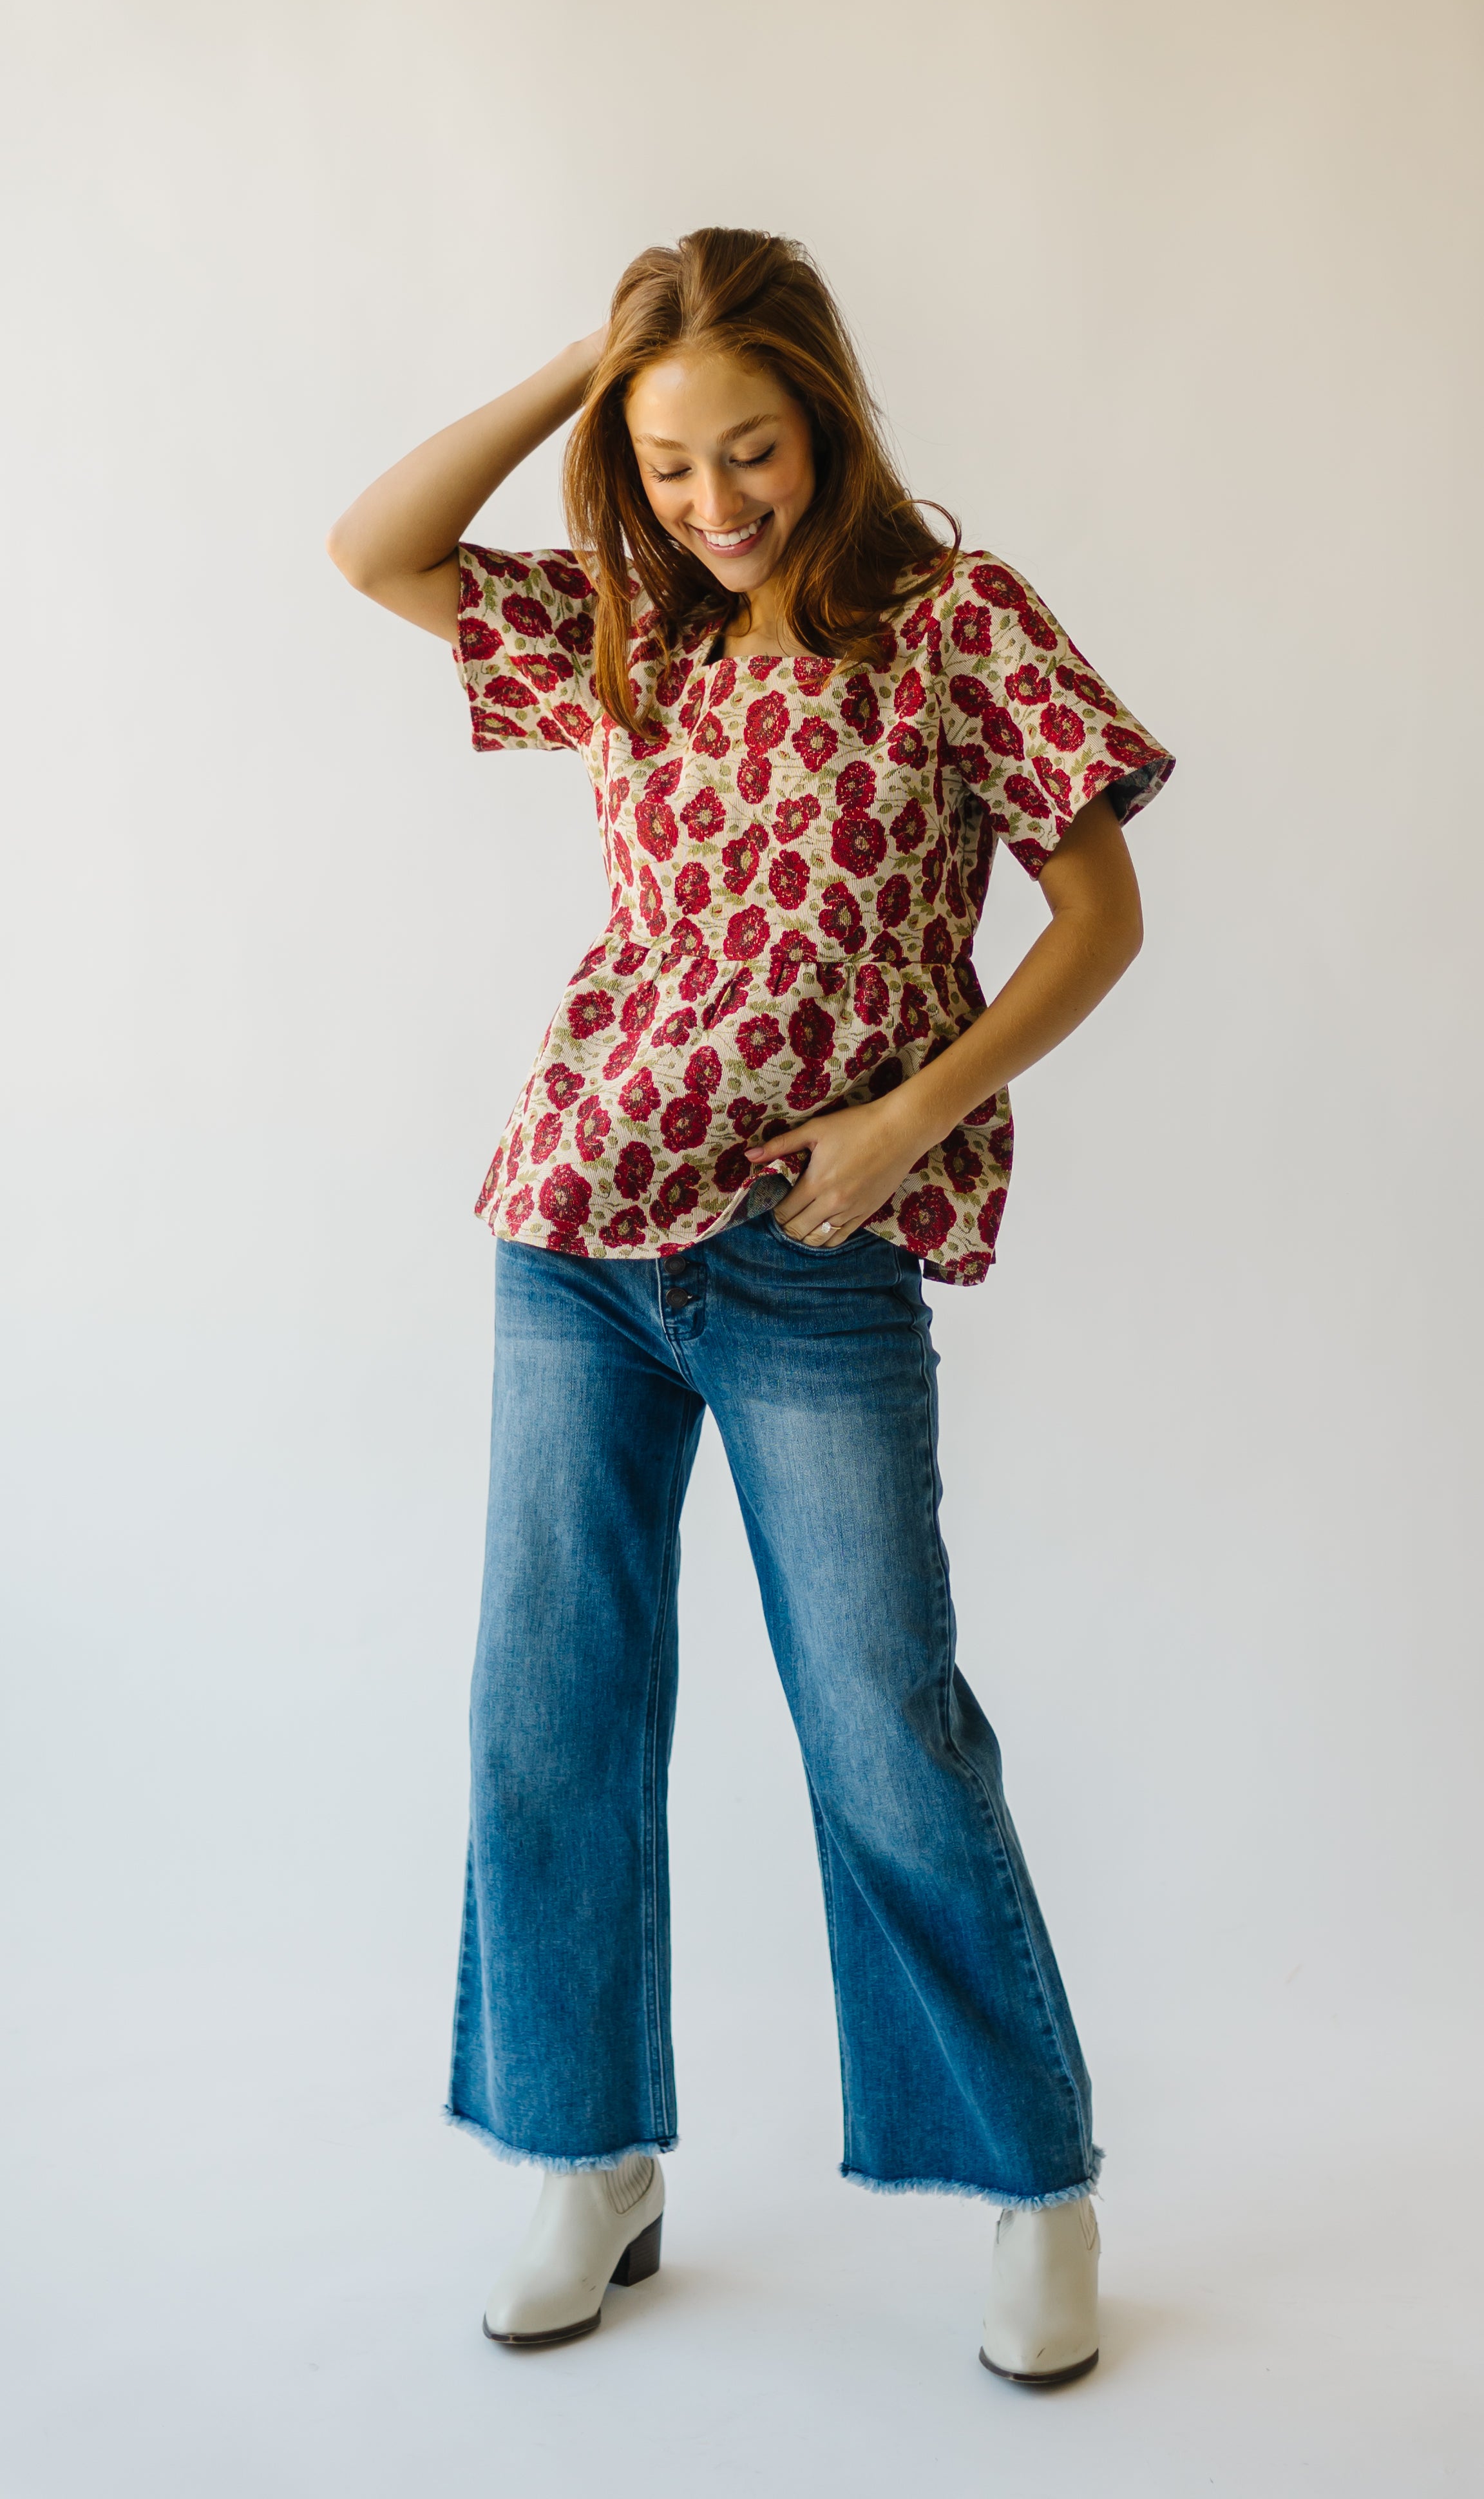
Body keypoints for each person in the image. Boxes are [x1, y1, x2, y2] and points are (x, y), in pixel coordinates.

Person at [327, 226, 1173, 2386]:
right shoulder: (625, 626)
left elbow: (1101, 914)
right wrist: (584, 369)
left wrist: (915, 1113)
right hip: (579, 1231)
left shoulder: (954, 624)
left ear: (832, 419)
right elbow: (372, 546)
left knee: (889, 1727)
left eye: (756, 450)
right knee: (555, 1712)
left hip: (814, 1254)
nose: (717, 503)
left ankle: (1028, 2182)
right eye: (673, 463)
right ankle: (583, 2153)